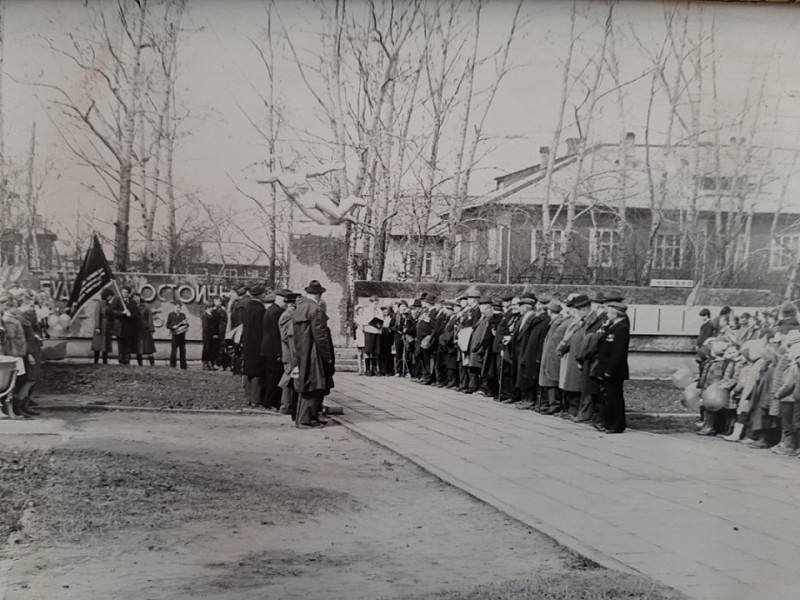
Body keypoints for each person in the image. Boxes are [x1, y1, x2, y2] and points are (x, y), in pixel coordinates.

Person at [257, 156, 366, 226]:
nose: (292, 163)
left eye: (293, 160)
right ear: (281, 161)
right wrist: (260, 164)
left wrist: (331, 166)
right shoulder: (278, 176)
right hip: (303, 205)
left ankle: (351, 200)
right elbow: (259, 179)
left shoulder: (301, 171)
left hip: (314, 197)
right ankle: (346, 217)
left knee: (337, 214)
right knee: (327, 223)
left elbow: (318, 171)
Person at [293, 280, 335, 428]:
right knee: (314, 385)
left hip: (303, 351)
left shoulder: (301, 306)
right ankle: (306, 420)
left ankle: (309, 417)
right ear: (319, 295)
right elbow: (321, 336)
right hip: (314, 352)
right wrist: (327, 357)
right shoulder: (315, 308)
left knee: (308, 385)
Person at [596, 300, 631, 434]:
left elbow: (618, 352)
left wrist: (610, 370)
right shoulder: (612, 326)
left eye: (610, 313)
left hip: (614, 370)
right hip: (605, 367)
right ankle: (609, 423)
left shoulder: (622, 328)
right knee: (607, 397)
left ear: (616, 314)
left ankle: (616, 425)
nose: (607, 315)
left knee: (614, 397)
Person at [261, 289, 292, 410]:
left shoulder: (271, 309)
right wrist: (279, 352)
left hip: (268, 349)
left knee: (271, 377)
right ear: (283, 300)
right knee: (274, 378)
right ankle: (270, 402)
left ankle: (269, 401)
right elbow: (276, 334)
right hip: (274, 350)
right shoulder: (277, 312)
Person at [241, 285, 268, 407]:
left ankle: (248, 397)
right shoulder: (260, 309)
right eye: (264, 294)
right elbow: (261, 330)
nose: (265, 296)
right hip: (257, 345)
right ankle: (256, 399)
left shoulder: (248, 307)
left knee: (249, 371)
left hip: (248, 344)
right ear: (260, 295)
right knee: (258, 372)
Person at [279, 291, 300, 419]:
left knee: (289, 375)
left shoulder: (286, 314)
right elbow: (288, 337)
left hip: (288, 350)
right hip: (289, 350)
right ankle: (285, 406)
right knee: (289, 376)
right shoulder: (288, 315)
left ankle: (286, 405)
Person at [202, 296, 228, 370]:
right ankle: (209, 362)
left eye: (219, 301)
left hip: (218, 332)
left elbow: (220, 323)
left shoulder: (221, 311)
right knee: (209, 348)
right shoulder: (210, 312)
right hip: (211, 333)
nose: (218, 303)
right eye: (216, 301)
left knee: (217, 348)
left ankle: (217, 363)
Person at [112, 285, 135, 365]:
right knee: (121, 345)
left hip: (129, 327)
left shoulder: (133, 302)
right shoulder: (117, 300)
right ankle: (121, 360)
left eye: (125, 292)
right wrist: (122, 313)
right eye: (122, 292)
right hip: (120, 326)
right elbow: (113, 311)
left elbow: (136, 314)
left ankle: (127, 360)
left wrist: (130, 314)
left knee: (128, 345)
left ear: (129, 293)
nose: (123, 294)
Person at [131, 292, 156, 366]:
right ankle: (140, 364)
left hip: (146, 329)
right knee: (138, 348)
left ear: (140, 298)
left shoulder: (146, 306)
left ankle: (152, 364)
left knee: (149, 347)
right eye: (134, 297)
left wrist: (152, 329)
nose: (136, 299)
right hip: (136, 330)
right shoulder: (131, 307)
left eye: (137, 297)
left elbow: (150, 318)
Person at [92, 288, 115, 365]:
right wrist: (98, 327)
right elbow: (97, 316)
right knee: (98, 344)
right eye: (110, 296)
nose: (111, 297)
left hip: (107, 326)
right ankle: (96, 361)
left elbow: (112, 315)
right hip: (101, 325)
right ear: (107, 295)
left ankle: (105, 361)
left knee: (106, 344)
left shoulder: (109, 304)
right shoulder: (99, 304)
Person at [166, 300, 189, 370]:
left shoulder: (182, 315)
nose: (178, 309)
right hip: (175, 335)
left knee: (183, 350)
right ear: (174, 307)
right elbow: (167, 325)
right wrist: (173, 327)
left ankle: (183, 366)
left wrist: (185, 323)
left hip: (182, 335)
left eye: (179, 308)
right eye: (177, 307)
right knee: (174, 350)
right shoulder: (171, 315)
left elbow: (187, 325)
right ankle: (173, 365)